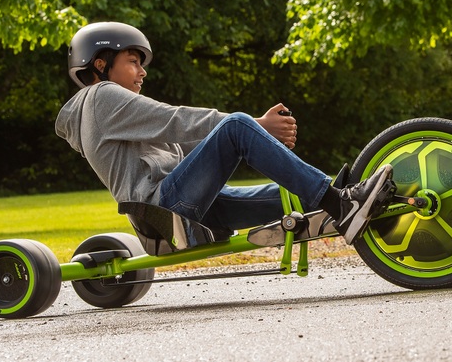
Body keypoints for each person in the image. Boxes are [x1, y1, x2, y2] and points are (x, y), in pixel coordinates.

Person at [55, 22, 393, 244]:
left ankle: (347, 196)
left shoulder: (106, 111)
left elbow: (181, 139)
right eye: (133, 61)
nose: (142, 72)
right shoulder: (100, 97)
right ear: (100, 64)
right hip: (164, 210)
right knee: (236, 127)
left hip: (187, 204)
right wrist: (257, 127)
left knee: (290, 195)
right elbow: (175, 119)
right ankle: (342, 204)